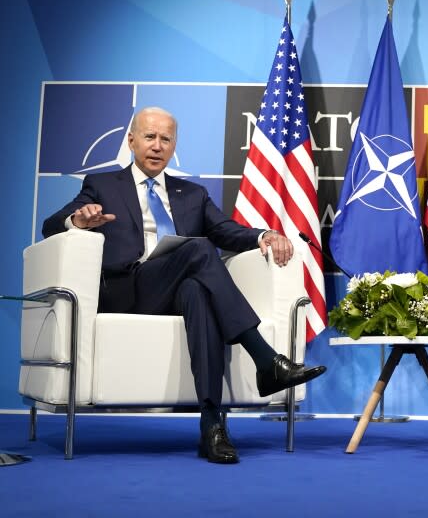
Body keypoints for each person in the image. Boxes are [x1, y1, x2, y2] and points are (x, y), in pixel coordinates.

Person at [42, 106, 326, 464]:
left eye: (166, 139)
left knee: (198, 291)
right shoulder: (102, 185)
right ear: (131, 140)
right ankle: (265, 358)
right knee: (200, 248)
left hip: (176, 290)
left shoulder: (191, 193)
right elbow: (50, 226)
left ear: (174, 145)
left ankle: (212, 427)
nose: (157, 146)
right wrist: (78, 220)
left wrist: (265, 234)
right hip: (128, 290)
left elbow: (227, 231)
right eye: (149, 137)